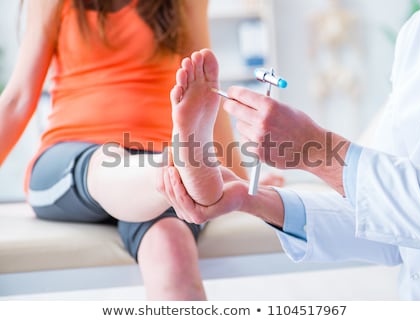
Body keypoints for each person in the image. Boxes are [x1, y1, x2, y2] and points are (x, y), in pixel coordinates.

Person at [159, 0, 420, 300]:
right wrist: (251, 198)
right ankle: (193, 161)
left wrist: (316, 151)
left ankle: (181, 157)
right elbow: (385, 215)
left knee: (139, 174)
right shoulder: (419, 32)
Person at [0, 0, 283, 300]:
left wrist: (237, 177)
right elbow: (17, 100)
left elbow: (205, 90)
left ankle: (171, 172)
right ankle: (171, 171)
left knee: (171, 247)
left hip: (155, 159)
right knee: (107, 165)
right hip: (72, 157)